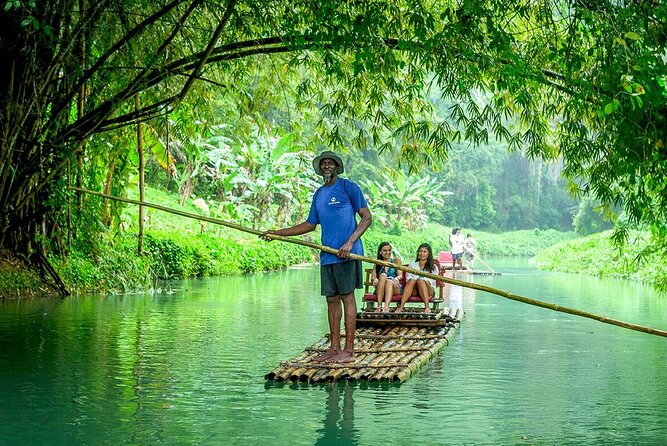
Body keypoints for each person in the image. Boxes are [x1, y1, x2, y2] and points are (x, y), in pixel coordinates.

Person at [261, 150, 372, 363]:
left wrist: (349, 243)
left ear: (337, 167)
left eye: (330, 163)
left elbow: (366, 218)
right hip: (328, 255)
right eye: (324, 164)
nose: (327, 167)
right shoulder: (319, 194)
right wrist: (278, 233)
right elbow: (310, 225)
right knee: (331, 300)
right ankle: (334, 348)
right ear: (320, 169)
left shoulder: (349, 187)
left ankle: (348, 351)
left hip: (348, 254)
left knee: (347, 298)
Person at [396, 243, 439, 314]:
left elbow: (431, 282)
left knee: (420, 281)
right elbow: (408, 279)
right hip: (414, 289)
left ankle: (427, 307)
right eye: (420, 251)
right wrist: (417, 280)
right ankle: (401, 307)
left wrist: (420, 280)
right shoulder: (412, 264)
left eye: (424, 251)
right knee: (413, 280)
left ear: (429, 254)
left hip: (428, 290)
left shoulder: (433, 267)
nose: (422, 253)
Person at [371, 242, 403, 313]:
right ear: (380, 252)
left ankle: (386, 308)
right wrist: (375, 279)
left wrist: (397, 278)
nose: (387, 252)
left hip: (394, 286)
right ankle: (379, 306)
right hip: (381, 287)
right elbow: (373, 277)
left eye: (389, 250)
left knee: (389, 282)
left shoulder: (396, 261)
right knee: (383, 275)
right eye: (385, 250)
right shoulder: (378, 263)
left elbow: (400, 275)